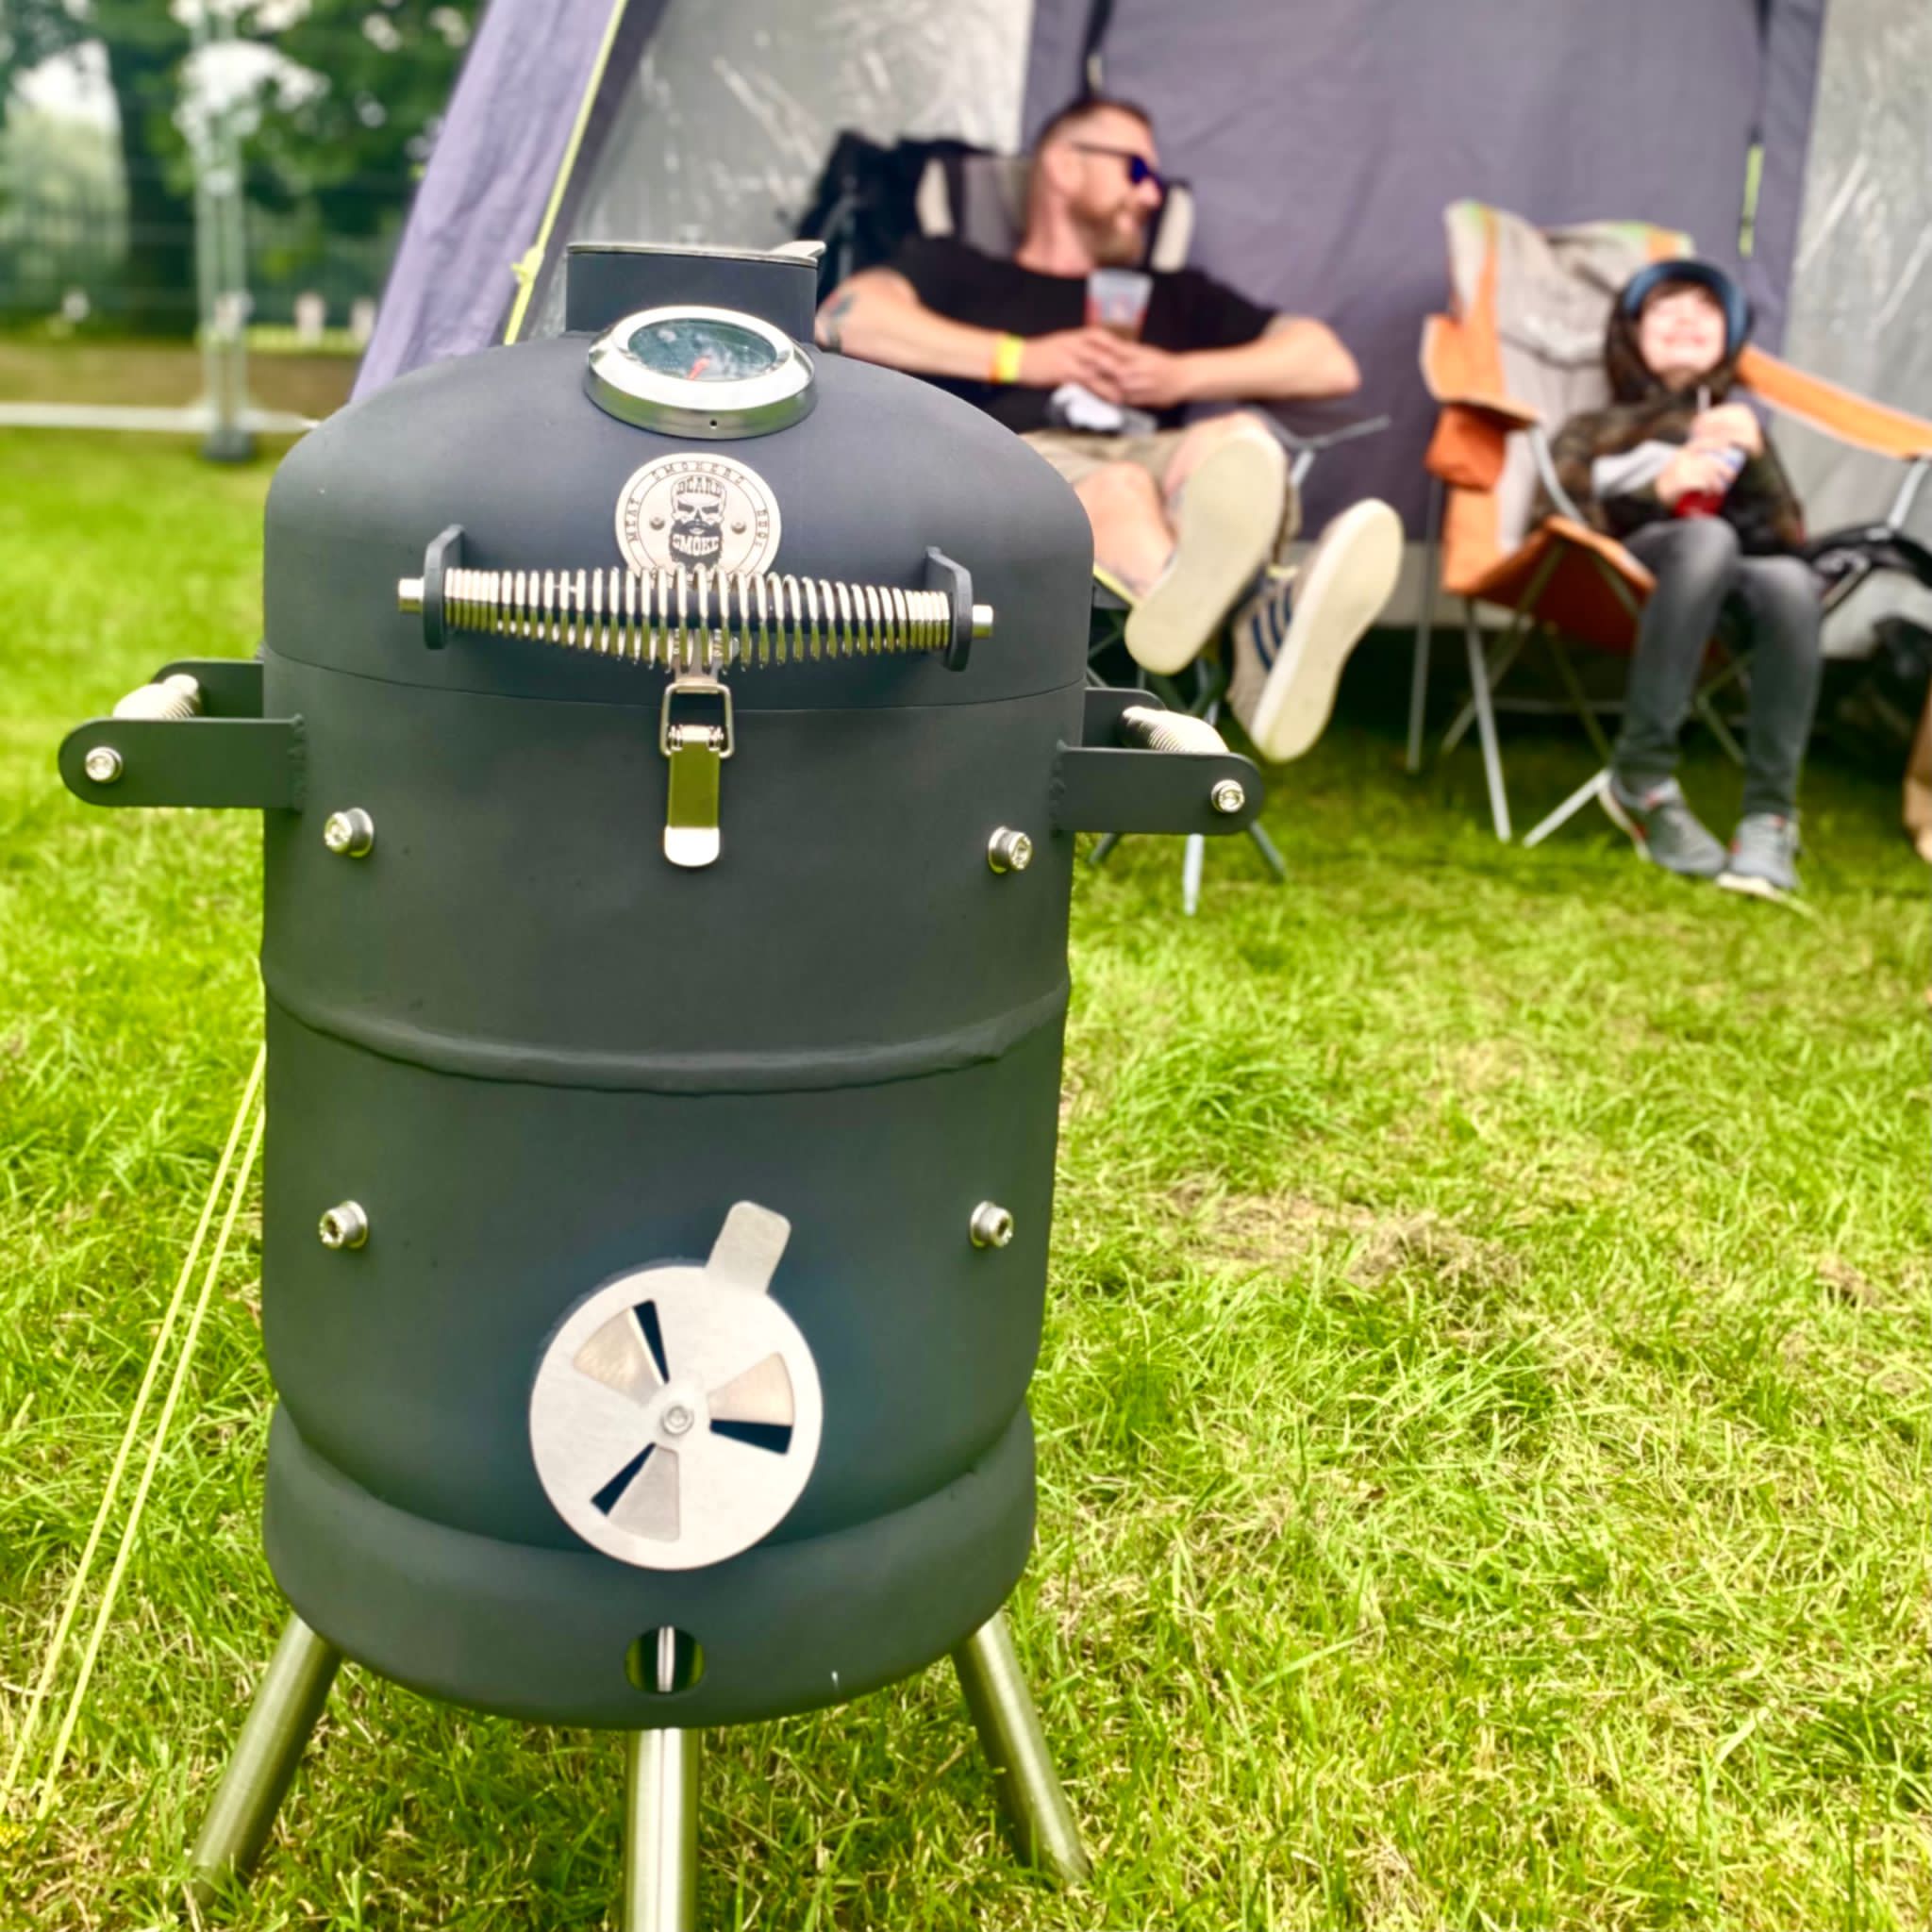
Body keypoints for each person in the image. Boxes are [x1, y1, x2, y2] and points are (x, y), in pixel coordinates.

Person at [814, 94, 1401, 764]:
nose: (1152, 197)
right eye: (1138, 174)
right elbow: (843, 318)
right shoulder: (959, 269)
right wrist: (1021, 357)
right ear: (1065, 166)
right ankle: (1262, 623)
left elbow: (1326, 361)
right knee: (1121, 486)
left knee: (1238, 440)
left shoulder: (1174, 294)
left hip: (1167, 469)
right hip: (1021, 467)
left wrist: (1180, 376)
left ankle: (1224, 613)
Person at [1545, 259, 1821, 900]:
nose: (1688, 319)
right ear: (1631, 335)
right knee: (1707, 536)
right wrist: (1654, 489)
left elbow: (1788, 540)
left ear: (1730, 339)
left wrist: (1755, 462)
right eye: (1667, 309)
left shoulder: (1739, 425)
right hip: (1627, 571)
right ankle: (1642, 776)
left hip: (1729, 589)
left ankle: (1770, 816)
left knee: (1788, 583)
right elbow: (1555, 515)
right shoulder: (1596, 428)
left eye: (1705, 309)